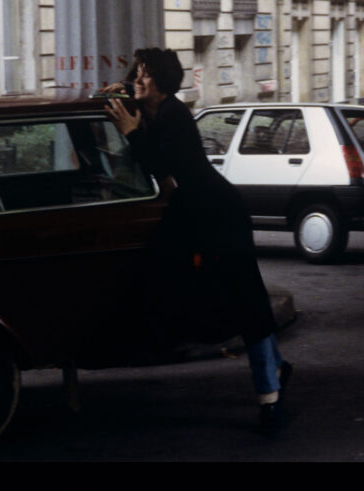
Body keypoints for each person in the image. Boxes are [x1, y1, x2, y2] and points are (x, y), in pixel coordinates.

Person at [102, 47, 292, 435]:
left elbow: (163, 168)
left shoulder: (175, 116)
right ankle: (276, 365)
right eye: (136, 73)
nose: (138, 79)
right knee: (217, 293)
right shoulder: (152, 105)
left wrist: (131, 133)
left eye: (145, 75)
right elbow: (134, 89)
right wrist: (119, 89)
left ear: (165, 83)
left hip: (220, 215)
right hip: (191, 213)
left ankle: (269, 396)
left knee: (247, 298)